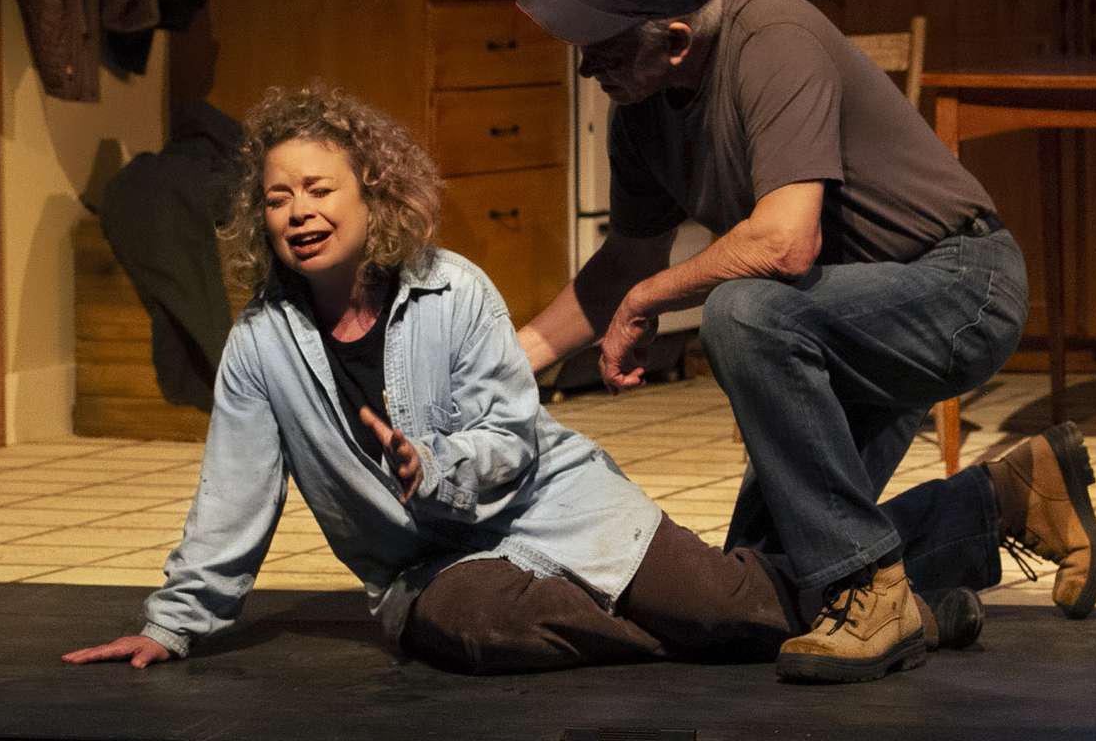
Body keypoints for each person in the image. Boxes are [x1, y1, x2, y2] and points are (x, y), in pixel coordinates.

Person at [61, 84, 983, 683]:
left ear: (372, 197)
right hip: (433, 572)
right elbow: (233, 495)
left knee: (724, 602)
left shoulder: (453, 290)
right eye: (277, 198)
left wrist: (432, 465)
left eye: (319, 190)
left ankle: (941, 561)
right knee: (474, 632)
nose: (298, 212)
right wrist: (174, 624)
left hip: (554, 506)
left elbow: (509, 441)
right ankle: (878, 607)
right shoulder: (261, 347)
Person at [514, 0, 1096, 682]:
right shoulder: (641, 118)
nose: (586, 62)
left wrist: (651, 298)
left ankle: (874, 593)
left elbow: (784, 243)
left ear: (675, 40)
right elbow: (621, 266)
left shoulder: (773, 37)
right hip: (838, 317)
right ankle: (1005, 502)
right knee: (750, 585)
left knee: (741, 311)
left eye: (603, 44)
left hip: (957, 286)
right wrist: (503, 367)